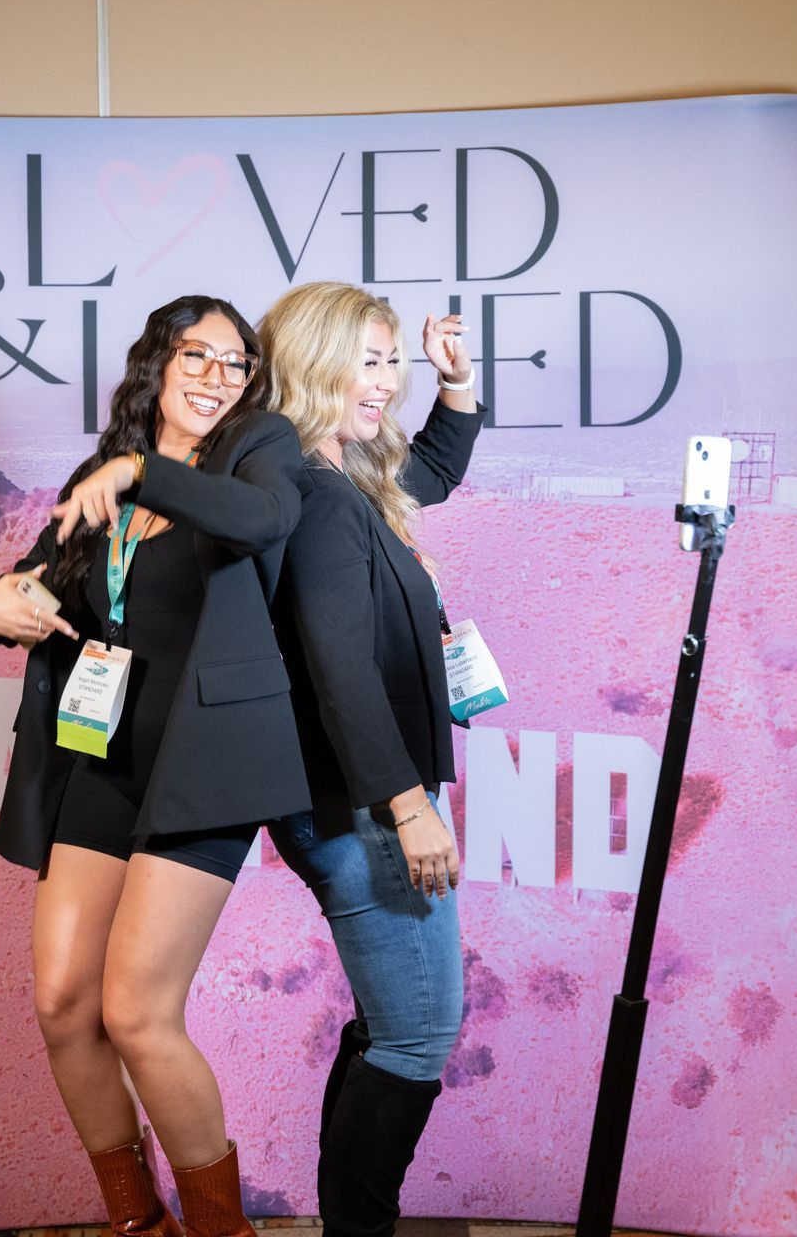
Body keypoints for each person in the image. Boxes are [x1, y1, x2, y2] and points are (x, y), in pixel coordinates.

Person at [0, 295, 308, 1237]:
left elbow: (265, 521)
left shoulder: (255, 451)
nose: (214, 375)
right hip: (101, 760)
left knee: (137, 1012)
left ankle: (221, 1234)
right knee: (64, 1003)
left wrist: (141, 471)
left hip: (205, 770)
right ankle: (139, 1225)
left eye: (234, 363)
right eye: (194, 355)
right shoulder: (100, 478)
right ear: (155, 364)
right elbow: (32, 578)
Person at [261, 281, 483, 1237]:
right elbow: (339, 666)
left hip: (368, 798)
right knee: (416, 1032)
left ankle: (353, 1229)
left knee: (393, 1026)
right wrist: (407, 806)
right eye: (373, 361)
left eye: (395, 361)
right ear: (315, 363)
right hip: (362, 804)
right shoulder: (318, 499)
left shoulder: (341, 477)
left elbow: (428, 469)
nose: (389, 383)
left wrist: (458, 386)